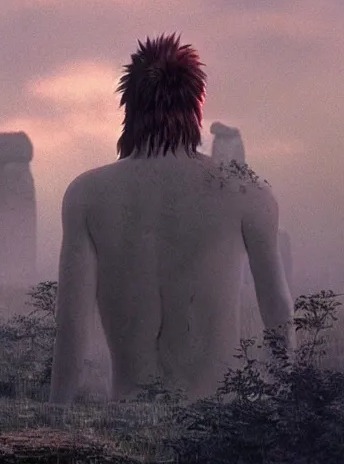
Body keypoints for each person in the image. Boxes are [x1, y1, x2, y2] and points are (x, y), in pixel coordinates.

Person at [49, 33, 295, 404]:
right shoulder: (248, 193)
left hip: (129, 418)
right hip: (215, 423)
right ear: (197, 105)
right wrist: (287, 407)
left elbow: (71, 327)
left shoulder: (87, 194)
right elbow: (277, 310)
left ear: (128, 104)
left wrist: (55, 423)